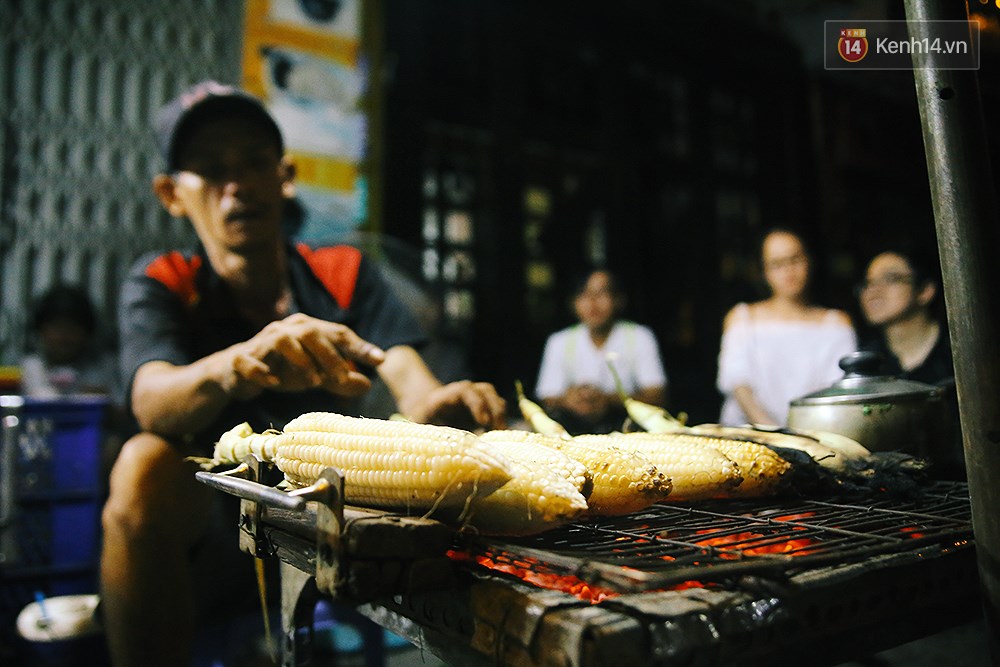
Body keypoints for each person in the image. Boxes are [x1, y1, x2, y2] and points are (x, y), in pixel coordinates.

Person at [100, 80, 507, 667]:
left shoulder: (342, 272)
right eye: (212, 169)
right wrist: (238, 364)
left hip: (331, 512)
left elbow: (404, 371)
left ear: (285, 176)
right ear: (172, 194)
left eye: (254, 162)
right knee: (142, 463)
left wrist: (438, 407)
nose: (238, 185)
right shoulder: (166, 280)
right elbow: (150, 397)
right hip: (209, 527)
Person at [717, 228, 856, 427]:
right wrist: (774, 432)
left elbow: (840, 388)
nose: (788, 271)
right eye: (777, 264)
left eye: (795, 260)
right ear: (763, 271)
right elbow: (738, 383)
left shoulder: (836, 322)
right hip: (749, 434)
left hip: (818, 433)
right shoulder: (742, 318)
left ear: (809, 261)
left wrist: (807, 437)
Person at [857, 246, 963, 478]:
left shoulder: (961, 352)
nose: (873, 291)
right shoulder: (865, 362)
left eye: (890, 279)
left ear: (925, 290)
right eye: (867, 283)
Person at [534, 268, 667, 434]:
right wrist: (571, 400)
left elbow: (658, 395)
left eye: (601, 293)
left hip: (627, 432)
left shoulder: (639, 336)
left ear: (619, 300)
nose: (593, 302)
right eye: (584, 294)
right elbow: (546, 397)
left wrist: (610, 400)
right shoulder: (559, 341)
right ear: (573, 303)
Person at [20, 284, 122, 401]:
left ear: (88, 332)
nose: (64, 335)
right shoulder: (27, 370)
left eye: (73, 327)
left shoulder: (105, 370)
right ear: (40, 330)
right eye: (56, 326)